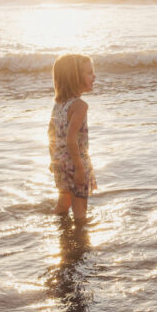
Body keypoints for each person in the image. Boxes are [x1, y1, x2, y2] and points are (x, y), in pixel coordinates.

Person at [49, 54, 97, 222]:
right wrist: (80, 168)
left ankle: (57, 226)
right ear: (75, 78)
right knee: (80, 212)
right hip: (76, 162)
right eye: (89, 73)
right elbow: (71, 139)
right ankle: (80, 242)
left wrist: (52, 161)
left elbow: (51, 134)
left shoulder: (59, 105)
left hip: (61, 163)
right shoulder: (80, 106)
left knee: (63, 204)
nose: (94, 76)